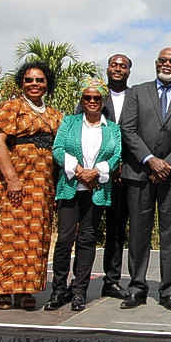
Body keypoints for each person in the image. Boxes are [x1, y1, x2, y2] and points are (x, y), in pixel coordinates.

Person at [119, 47, 171, 311]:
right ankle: (137, 288)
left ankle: (168, 291)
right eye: (163, 61)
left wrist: (167, 164)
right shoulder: (136, 93)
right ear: (156, 64)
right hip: (140, 173)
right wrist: (150, 159)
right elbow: (127, 130)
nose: (168, 65)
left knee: (169, 234)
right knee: (139, 234)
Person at [0, 61, 62, 310]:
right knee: (12, 235)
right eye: (29, 80)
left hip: (44, 186)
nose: (34, 84)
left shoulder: (55, 115)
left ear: (47, 84)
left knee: (37, 237)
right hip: (17, 182)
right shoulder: (11, 108)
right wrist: (12, 179)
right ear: (21, 83)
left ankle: (27, 290)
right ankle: (6, 291)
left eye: (39, 80)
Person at [47, 79, 122, 311]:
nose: (91, 102)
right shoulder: (69, 122)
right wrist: (78, 171)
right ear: (82, 100)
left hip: (96, 190)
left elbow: (116, 155)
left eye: (96, 98)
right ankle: (59, 290)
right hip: (70, 188)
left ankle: (79, 291)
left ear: (102, 101)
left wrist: (96, 173)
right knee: (64, 240)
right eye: (87, 98)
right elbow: (58, 149)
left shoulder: (112, 128)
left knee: (87, 241)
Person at [98, 54, 132, 300]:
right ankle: (75, 283)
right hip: (93, 175)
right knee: (86, 229)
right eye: (114, 65)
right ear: (108, 68)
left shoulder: (136, 97)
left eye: (123, 66)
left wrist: (122, 165)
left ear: (129, 71)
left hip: (123, 175)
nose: (118, 69)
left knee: (117, 230)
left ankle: (111, 280)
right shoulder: (94, 95)